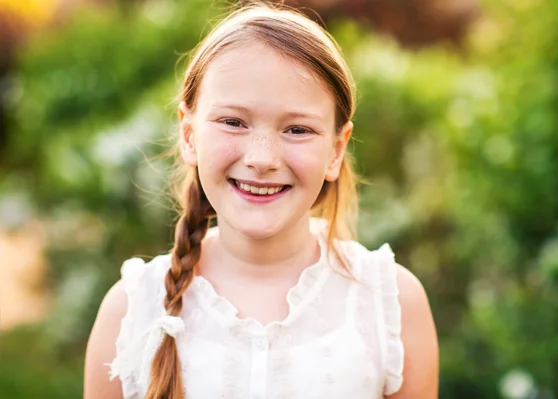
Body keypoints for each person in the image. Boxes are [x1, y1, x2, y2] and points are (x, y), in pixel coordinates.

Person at [84, 3, 438, 399]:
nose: (262, 159)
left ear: (336, 151)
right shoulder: (131, 312)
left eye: (298, 129)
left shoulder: (390, 304)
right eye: (233, 122)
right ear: (188, 135)